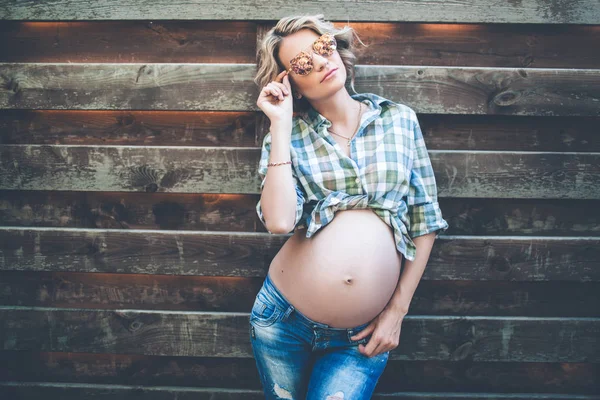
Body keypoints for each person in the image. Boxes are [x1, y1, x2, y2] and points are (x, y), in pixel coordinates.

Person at [250, 13, 449, 399]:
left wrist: (396, 312)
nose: (322, 61)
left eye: (323, 48)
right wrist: (280, 123)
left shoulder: (399, 120)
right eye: (303, 62)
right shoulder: (288, 137)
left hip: (362, 334)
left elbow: (425, 220)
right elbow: (278, 221)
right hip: (282, 319)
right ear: (291, 82)